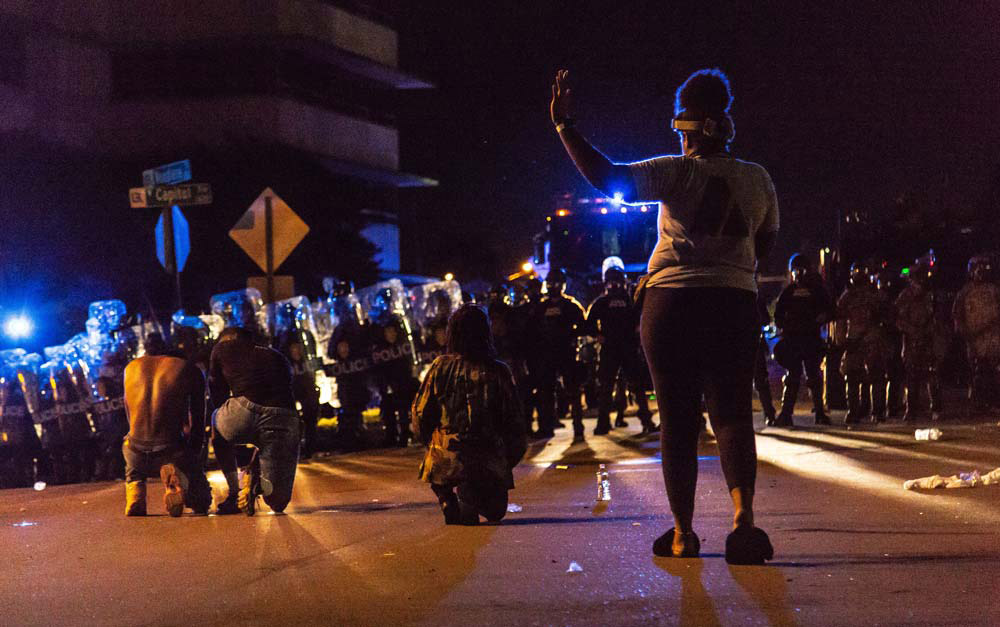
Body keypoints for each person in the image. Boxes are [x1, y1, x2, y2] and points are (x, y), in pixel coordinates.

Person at [551, 67, 776, 563]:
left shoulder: (678, 170)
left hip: (672, 304)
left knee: (677, 421)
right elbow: (764, 243)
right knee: (734, 415)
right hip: (735, 303)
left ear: (688, 129)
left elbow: (610, 177)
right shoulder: (759, 179)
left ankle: (683, 534)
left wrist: (566, 127)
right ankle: (743, 524)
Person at [411, 305, 527, 525]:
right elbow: (515, 421)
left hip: (447, 454)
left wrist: (430, 446)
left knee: (494, 510)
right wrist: (505, 461)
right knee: (495, 512)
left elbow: (420, 412)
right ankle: (470, 494)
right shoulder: (499, 371)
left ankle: (448, 495)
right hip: (487, 456)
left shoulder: (439, 367)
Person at [209, 327, 299, 516]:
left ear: (230, 339)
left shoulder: (222, 348)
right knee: (277, 502)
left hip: (246, 411)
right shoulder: (277, 356)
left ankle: (235, 492)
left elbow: (218, 394)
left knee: (216, 418)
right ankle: (255, 473)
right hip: (285, 418)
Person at [122, 340, 212, 517]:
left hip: (135, 455)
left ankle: (135, 493)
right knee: (202, 503)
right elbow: (198, 422)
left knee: (130, 439)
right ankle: (180, 482)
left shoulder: (131, 367)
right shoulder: (189, 369)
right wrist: (192, 460)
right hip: (170, 451)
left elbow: (129, 417)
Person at [586, 262, 656, 435]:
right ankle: (604, 423)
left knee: (633, 386)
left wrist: (637, 331)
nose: (615, 285)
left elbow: (642, 317)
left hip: (626, 348)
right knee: (607, 387)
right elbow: (588, 324)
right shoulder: (604, 302)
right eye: (612, 282)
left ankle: (645, 420)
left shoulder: (627, 300)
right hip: (614, 348)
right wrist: (598, 335)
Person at [772, 254, 834, 426]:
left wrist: (818, 320)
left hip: (810, 338)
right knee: (792, 377)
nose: (798, 274)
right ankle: (786, 414)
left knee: (813, 376)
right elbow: (778, 314)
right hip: (793, 339)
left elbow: (829, 310)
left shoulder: (817, 291)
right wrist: (786, 325)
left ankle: (819, 413)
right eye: (795, 271)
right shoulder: (789, 292)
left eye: (800, 270)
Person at [532, 268, 586, 440]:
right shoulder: (541, 307)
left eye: (555, 283)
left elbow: (583, 327)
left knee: (573, 390)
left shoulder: (571, 305)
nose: (552, 286)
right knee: (545, 392)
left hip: (566, 353)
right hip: (546, 354)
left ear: (562, 285)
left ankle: (578, 427)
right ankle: (546, 427)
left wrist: (571, 337)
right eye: (550, 283)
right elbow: (532, 330)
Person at [837, 262, 890, 424]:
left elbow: (887, 315)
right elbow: (840, 320)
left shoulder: (873, 295)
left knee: (873, 378)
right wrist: (843, 341)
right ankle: (858, 411)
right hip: (857, 341)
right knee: (855, 378)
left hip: (869, 340)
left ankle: (873, 412)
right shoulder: (849, 296)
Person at [895, 255, 944, 421]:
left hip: (929, 338)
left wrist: (932, 331)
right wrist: (913, 330)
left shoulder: (930, 295)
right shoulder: (905, 296)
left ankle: (936, 408)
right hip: (912, 340)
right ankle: (911, 410)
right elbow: (898, 319)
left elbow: (938, 317)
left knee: (932, 375)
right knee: (912, 377)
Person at [953, 255, 1000, 409]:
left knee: (994, 372)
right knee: (977, 372)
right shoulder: (965, 293)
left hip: (994, 339)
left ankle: (993, 402)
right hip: (974, 340)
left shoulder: (994, 290)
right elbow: (957, 316)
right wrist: (965, 333)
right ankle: (978, 403)